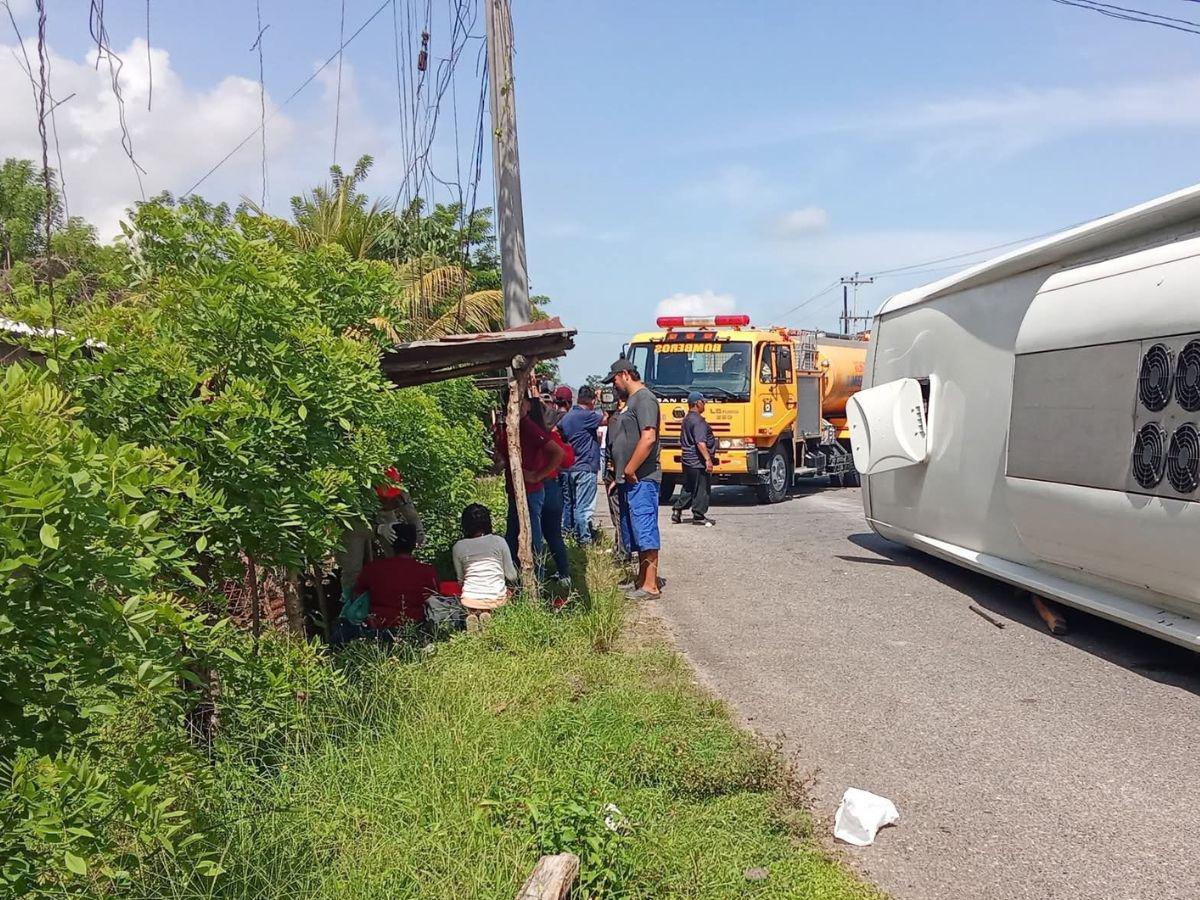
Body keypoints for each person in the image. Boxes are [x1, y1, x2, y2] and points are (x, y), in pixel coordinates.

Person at [603, 358, 662, 600]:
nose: (614, 385)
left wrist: (630, 469)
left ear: (626, 374)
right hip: (629, 479)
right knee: (634, 530)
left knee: (645, 528)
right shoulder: (632, 401)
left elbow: (648, 437)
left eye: (615, 379)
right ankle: (641, 580)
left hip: (642, 477)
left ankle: (651, 585)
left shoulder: (645, 398)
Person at [494, 387, 564, 573]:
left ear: (525, 405)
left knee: (532, 538)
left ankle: (536, 578)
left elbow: (557, 453)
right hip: (515, 490)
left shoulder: (527, 426)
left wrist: (536, 475)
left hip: (530, 491)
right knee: (512, 537)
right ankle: (514, 577)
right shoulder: (509, 427)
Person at [353, 522, 438, 637]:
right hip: (415, 629)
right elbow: (434, 597)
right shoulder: (427, 571)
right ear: (414, 544)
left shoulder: (373, 568)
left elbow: (357, 596)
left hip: (378, 629)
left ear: (391, 543)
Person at [453, 503, 518, 631]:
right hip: (495, 597)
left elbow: (460, 579)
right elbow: (512, 575)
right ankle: (488, 615)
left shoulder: (458, 546)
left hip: (470, 598)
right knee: (504, 594)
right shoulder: (499, 541)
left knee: (471, 601)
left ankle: (473, 615)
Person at [531, 399, 573, 585]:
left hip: (534, 486)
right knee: (554, 534)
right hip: (552, 486)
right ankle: (564, 574)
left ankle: (536, 575)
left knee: (534, 534)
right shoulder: (552, 438)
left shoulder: (526, 436)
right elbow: (568, 460)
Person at [559, 384, 605, 545]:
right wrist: (605, 401)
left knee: (570, 505)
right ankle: (584, 539)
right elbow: (608, 419)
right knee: (584, 508)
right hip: (585, 467)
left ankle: (569, 534)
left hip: (569, 467)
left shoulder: (567, 417)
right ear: (592, 401)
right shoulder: (587, 416)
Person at [672, 391, 717, 527]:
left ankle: (677, 510)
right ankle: (698, 515)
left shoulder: (687, 419)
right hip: (697, 461)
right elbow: (700, 442)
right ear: (697, 403)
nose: (705, 405)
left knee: (689, 487)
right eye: (703, 402)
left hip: (687, 459)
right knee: (702, 488)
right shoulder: (698, 421)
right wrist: (708, 460)